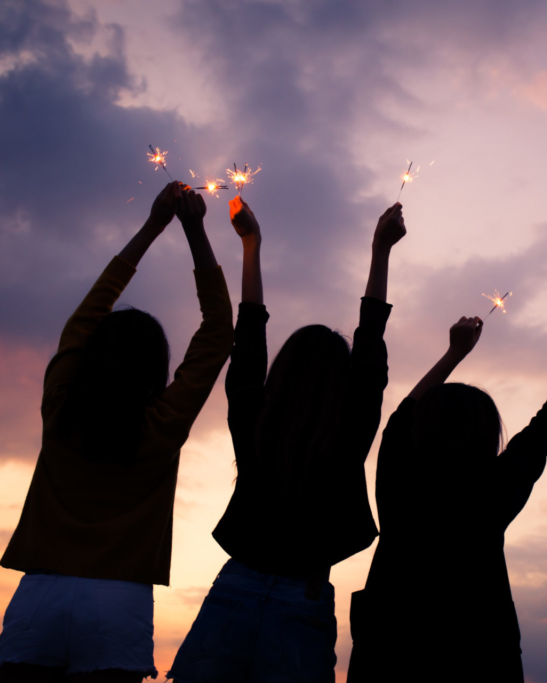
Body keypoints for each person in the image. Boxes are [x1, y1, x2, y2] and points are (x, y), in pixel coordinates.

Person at [0, 183, 235, 682]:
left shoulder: (60, 408)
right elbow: (217, 332)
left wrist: (151, 227)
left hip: (40, 593)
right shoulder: (162, 424)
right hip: (119, 600)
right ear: (155, 369)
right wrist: (194, 229)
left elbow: (85, 317)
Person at [167, 199, 407, 683]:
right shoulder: (349, 431)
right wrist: (380, 251)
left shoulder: (254, 419)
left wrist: (250, 245)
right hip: (305, 596)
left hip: (235, 586)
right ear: (340, 385)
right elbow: (369, 351)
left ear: (282, 372)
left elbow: (249, 338)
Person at [346, 318, 547, 682]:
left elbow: (400, 418)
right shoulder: (495, 487)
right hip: (482, 652)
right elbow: (544, 429)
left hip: (388, 649)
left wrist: (455, 353)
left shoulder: (399, 477)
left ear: (421, 426)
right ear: (488, 435)